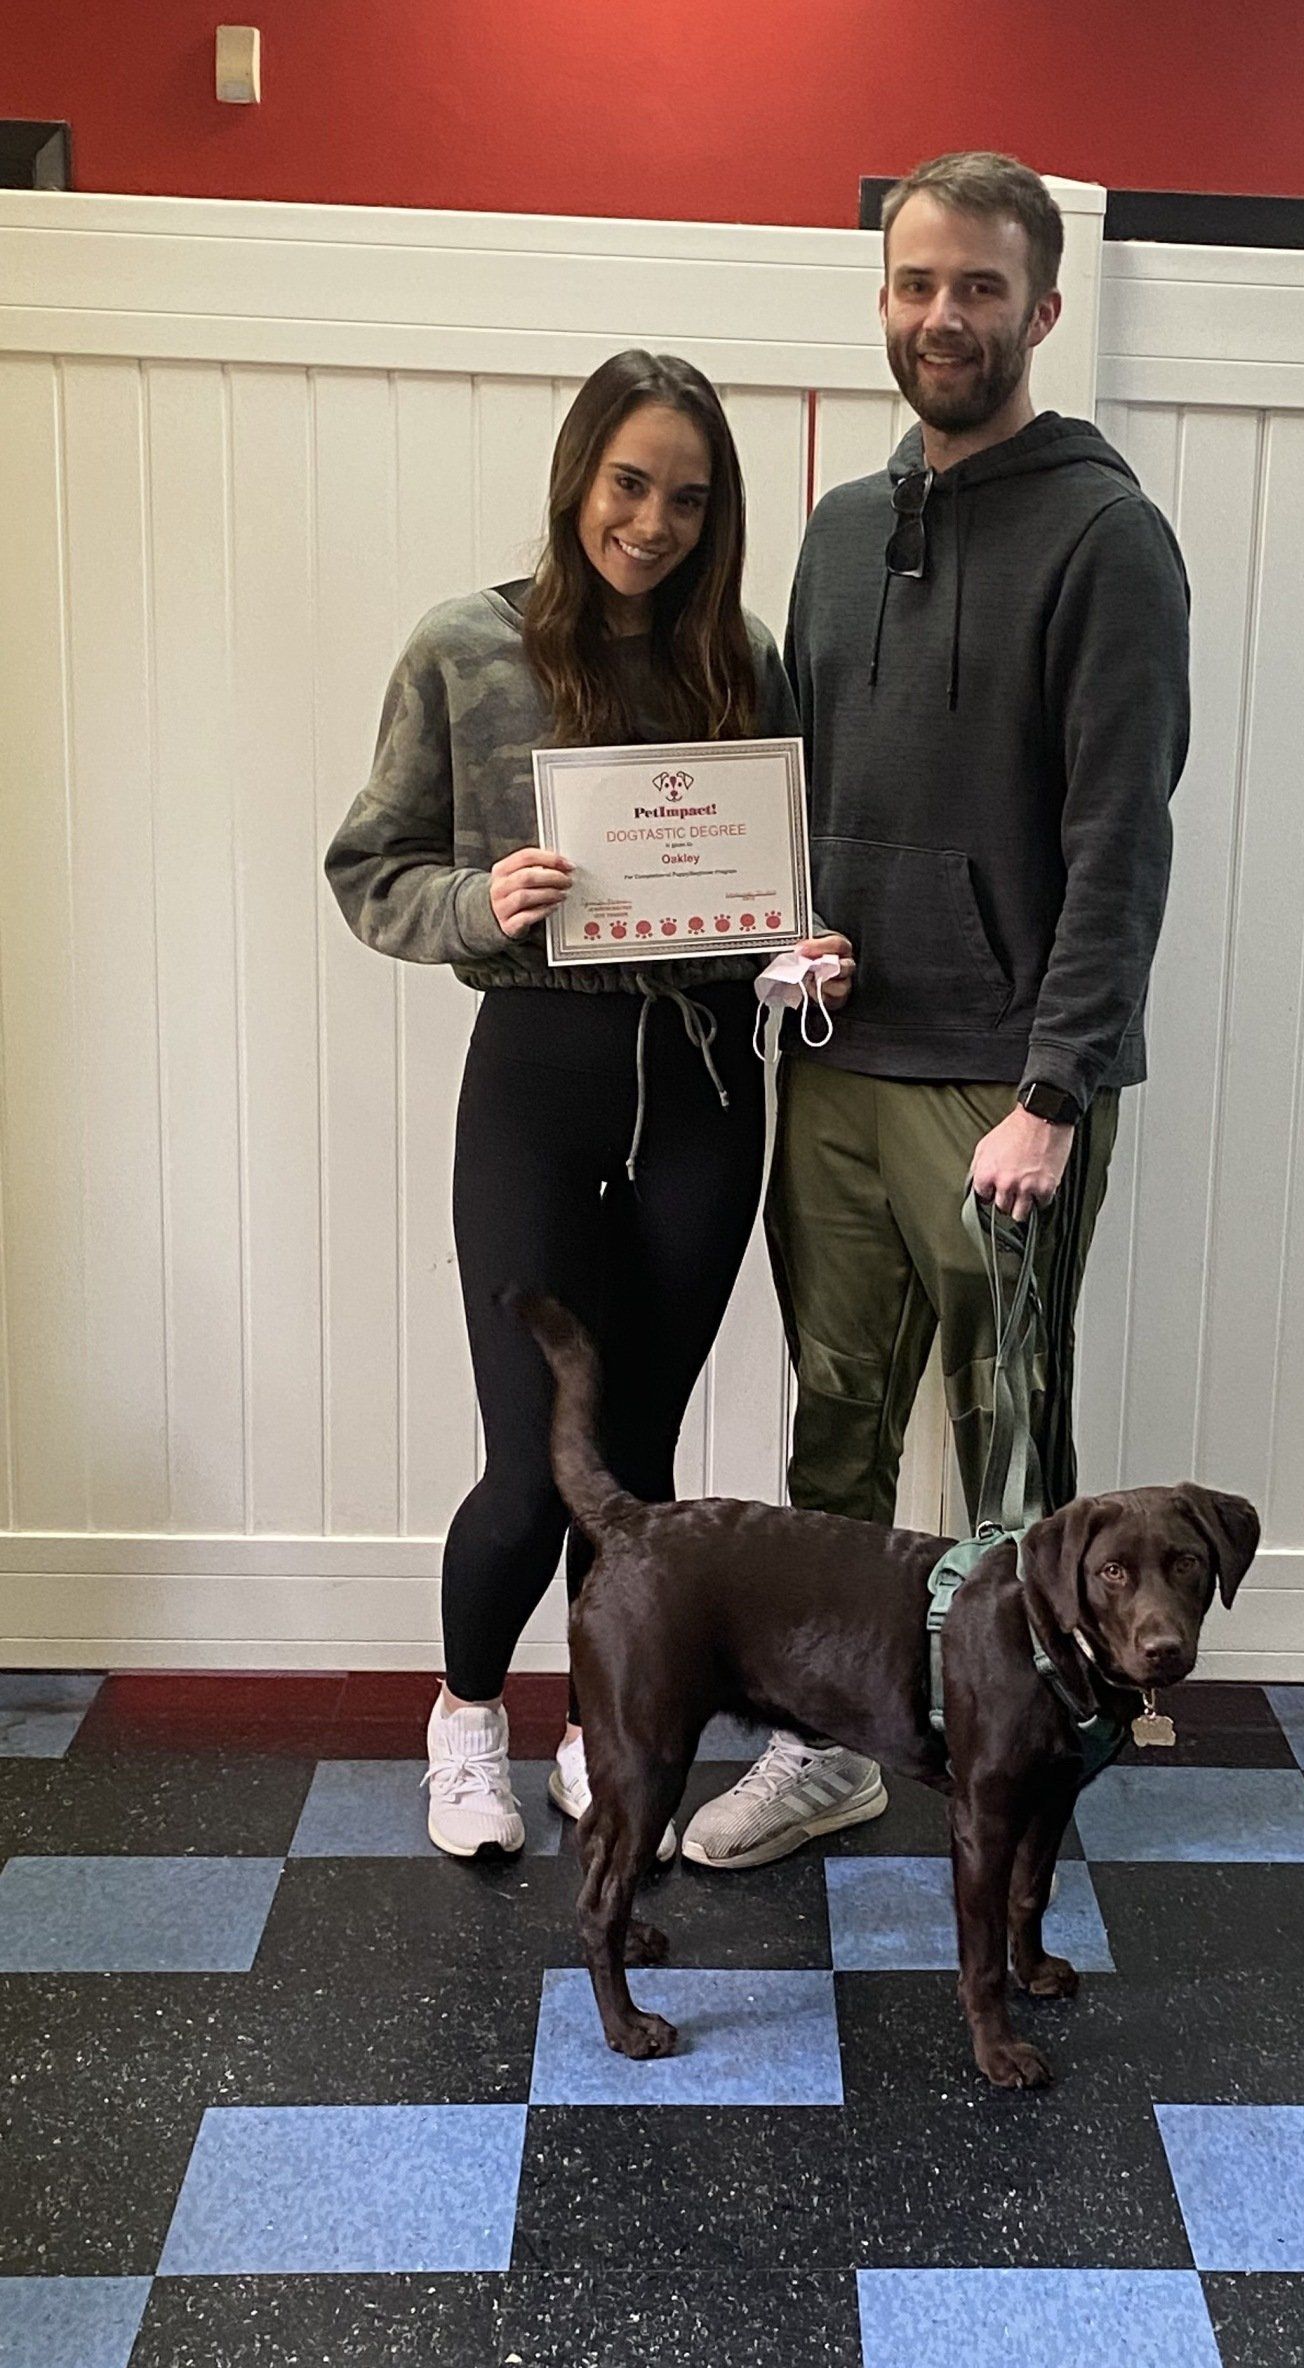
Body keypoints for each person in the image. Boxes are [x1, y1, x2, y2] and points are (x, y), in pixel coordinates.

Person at [680, 152, 1191, 1873]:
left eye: (979, 286)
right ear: (882, 301)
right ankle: (825, 1748)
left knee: (1005, 1454)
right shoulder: (836, 530)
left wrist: (1056, 1090)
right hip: (835, 1069)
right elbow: (798, 791)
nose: (942, 315)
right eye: (915, 284)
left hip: (1002, 1093)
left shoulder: (1110, 536)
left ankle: (1025, 1775)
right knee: (833, 1422)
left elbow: (1120, 835)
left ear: (1042, 308)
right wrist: (790, 929)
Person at [326, 349, 852, 1858]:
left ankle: (597, 1730)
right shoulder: (462, 647)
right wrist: (478, 903)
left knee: (635, 1472)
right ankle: (470, 1720)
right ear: (577, 477)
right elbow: (371, 871)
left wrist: (794, 948)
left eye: (689, 497)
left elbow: (773, 881)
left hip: (701, 1090)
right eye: (631, 483)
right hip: (537, 1087)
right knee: (531, 1463)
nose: (655, 521)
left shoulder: (742, 657)